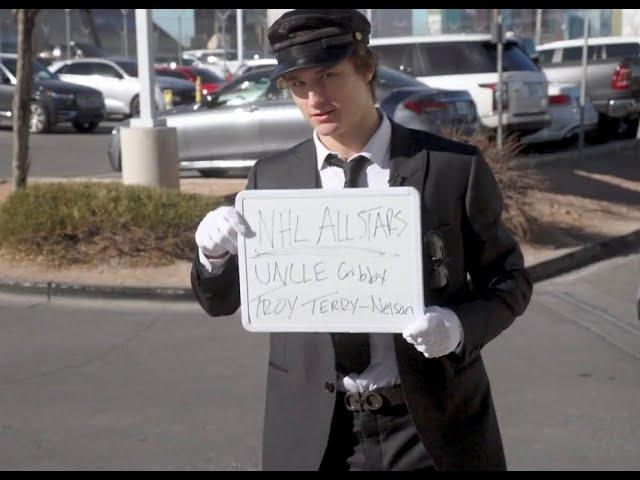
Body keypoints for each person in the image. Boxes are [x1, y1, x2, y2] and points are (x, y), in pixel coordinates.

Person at [191, 9, 533, 471]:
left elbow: (509, 282)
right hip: (318, 434)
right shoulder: (272, 179)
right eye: (298, 84)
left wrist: (457, 328)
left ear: (366, 67)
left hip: (430, 428)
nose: (315, 97)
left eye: (329, 75)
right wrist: (213, 256)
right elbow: (222, 300)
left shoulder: (452, 168)